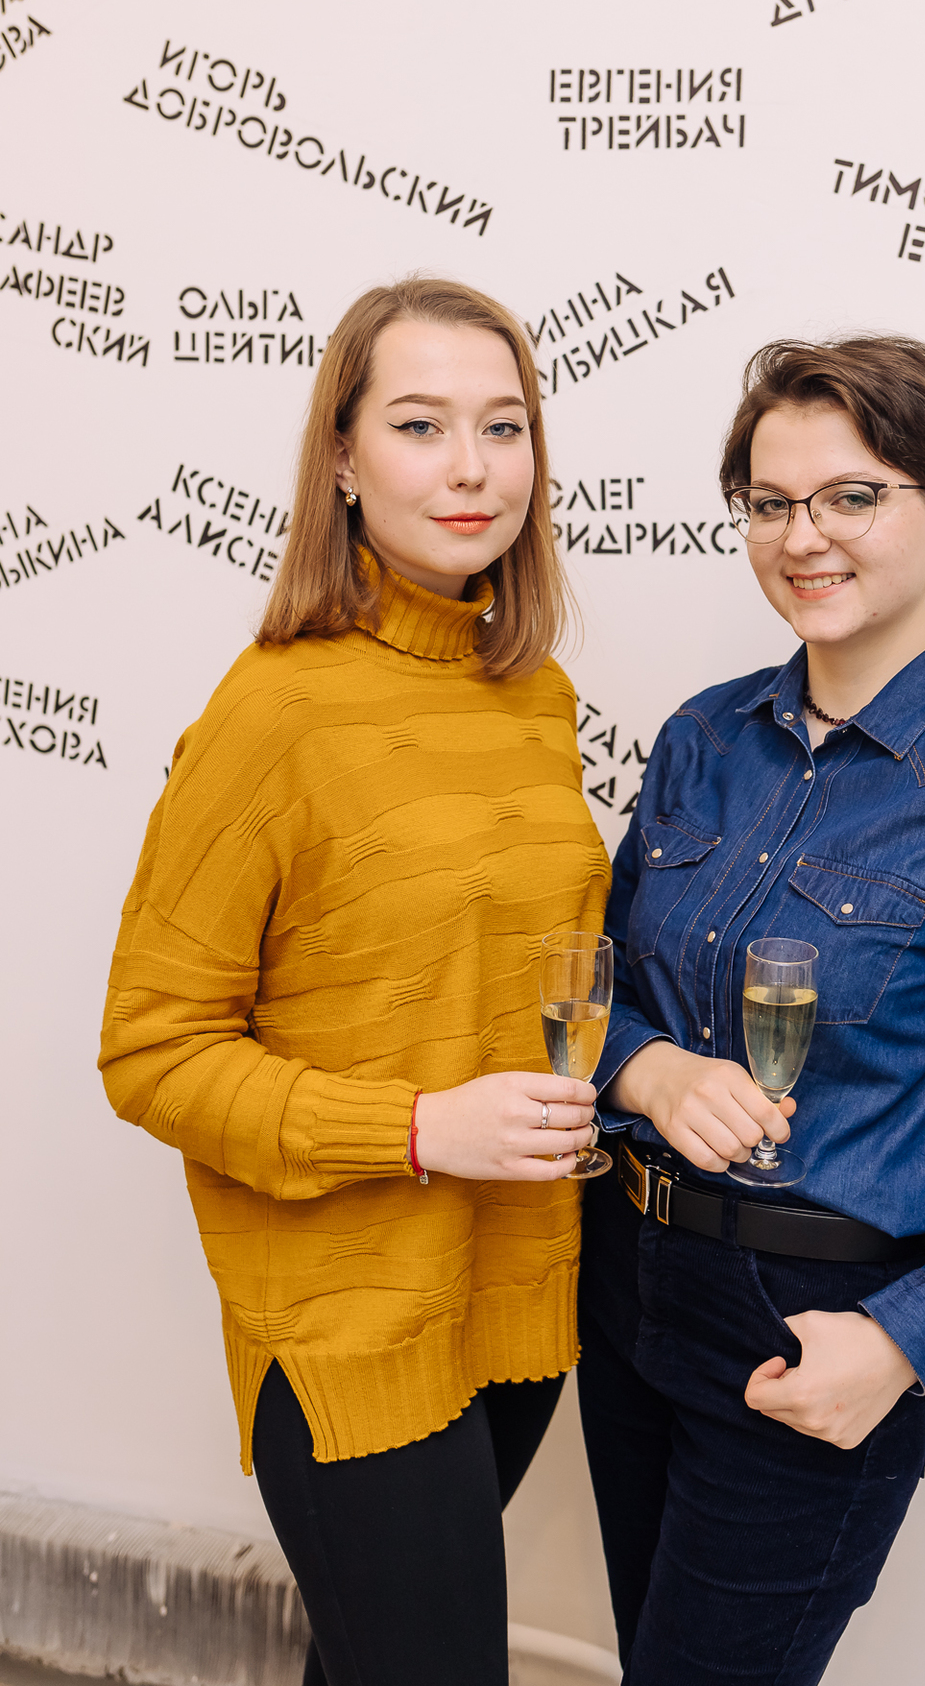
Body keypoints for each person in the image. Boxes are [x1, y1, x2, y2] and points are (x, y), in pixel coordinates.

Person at [577, 335, 925, 1686]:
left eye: (853, 497)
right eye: (771, 502)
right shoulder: (703, 738)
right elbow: (595, 992)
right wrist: (649, 1070)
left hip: (821, 1320)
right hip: (630, 1284)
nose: (804, 537)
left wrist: (907, 1338)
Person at [99, 276, 610, 1686]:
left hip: (515, 1298)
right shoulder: (273, 710)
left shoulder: (537, 697)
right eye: (420, 424)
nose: (471, 468)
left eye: (503, 426)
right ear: (340, 457)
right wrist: (420, 1128)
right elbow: (150, 1051)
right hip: (347, 1323)